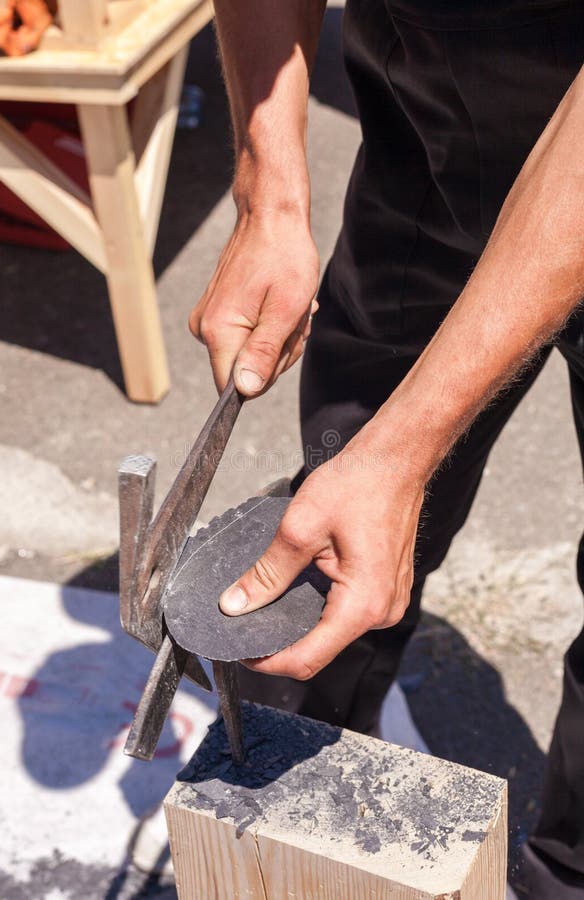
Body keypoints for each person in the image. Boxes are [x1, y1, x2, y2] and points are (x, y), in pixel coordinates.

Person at [189, 2, 584, 896]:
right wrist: (270, 193)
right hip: (434, 155)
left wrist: (405, 448)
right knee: (332, 534)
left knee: (371, 480)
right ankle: (287, 827)